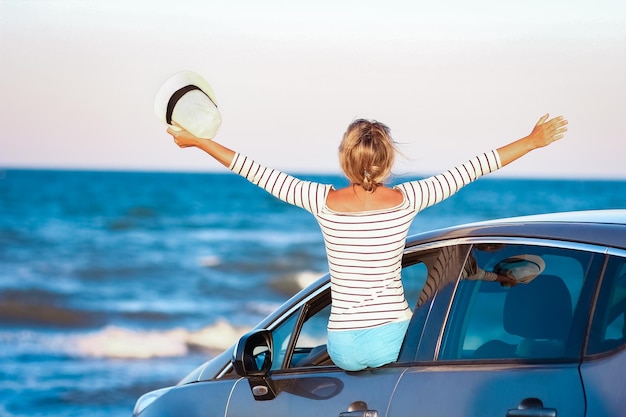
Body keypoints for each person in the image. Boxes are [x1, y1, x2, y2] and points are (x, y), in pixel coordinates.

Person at [166, 114, 568, 371]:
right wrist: (533, 140)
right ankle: (492, 277)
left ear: (346, 160)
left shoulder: (321, 201)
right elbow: (473, 168)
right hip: (393, 338)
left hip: (343, 347)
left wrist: (200, 141)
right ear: (388, 162)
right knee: (443, 277)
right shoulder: (408, 200)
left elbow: (254, 170)